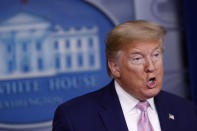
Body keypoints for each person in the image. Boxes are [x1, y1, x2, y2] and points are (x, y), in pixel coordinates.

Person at [52, 20, 197, 131]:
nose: (151, 67)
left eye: (156, 55)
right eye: (137, 58)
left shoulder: (186, 111)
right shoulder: (75, 118)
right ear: (115, 67)